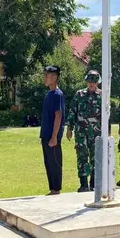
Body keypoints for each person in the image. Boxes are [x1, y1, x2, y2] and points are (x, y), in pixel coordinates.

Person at [66, 70, 109, 193]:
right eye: (90, 82)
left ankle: (94, 183)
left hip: (96, 132)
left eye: (94, 82)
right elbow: (72, 111)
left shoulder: (102, 95)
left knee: (96, 157)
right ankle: (83, 183)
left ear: (97, 83)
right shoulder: (79, 94)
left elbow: (106, 115)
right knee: (82, 157)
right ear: (86, 81)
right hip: (81, 132)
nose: (91, 84)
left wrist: (108, 131)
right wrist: (69, 128)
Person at [40, 65, 65, 196]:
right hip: (45, 134)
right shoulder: (49, 94)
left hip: (52, 135)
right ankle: (52, 189)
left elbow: (58, 115)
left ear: (54, 77)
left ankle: (56, 189)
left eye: (47, 75)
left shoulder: (57, 94)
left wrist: (54, 136)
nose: (45, 78)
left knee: (54, 162)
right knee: (48, 162)